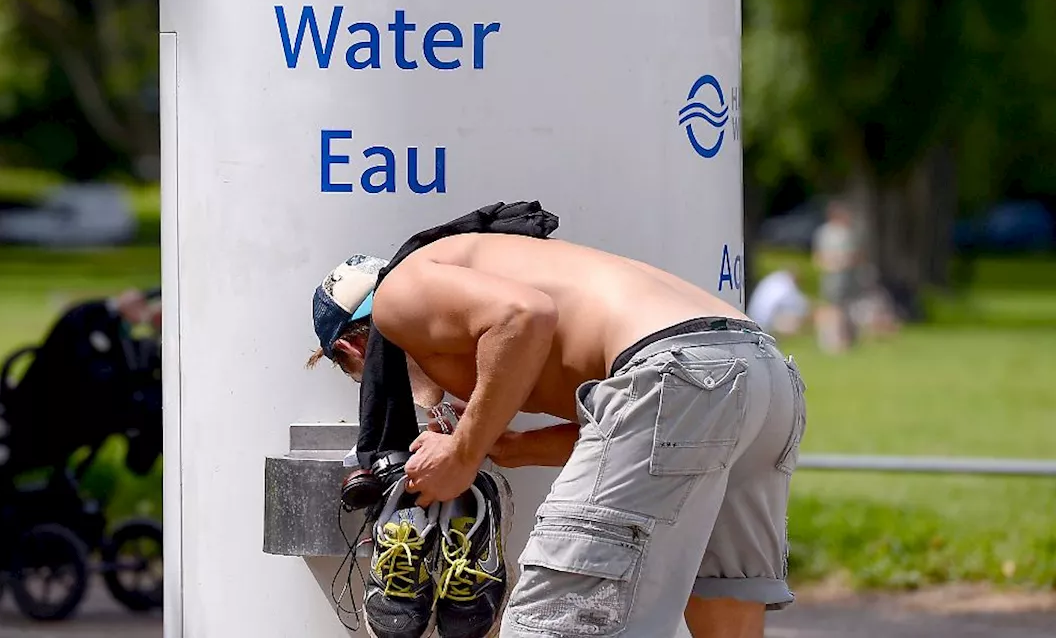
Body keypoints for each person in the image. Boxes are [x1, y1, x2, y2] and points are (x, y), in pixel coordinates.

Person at [309, 232, 808, 638]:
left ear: (355, 351)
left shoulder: (400, 292)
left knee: (549, 625)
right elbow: (652, 430)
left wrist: (463, 455)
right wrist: (515, 447)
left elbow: (524, 316)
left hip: (675, 372)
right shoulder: (472, 268)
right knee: (725, 613)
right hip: (758, 369)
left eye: (357, 377)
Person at [811, 200, 861, 353]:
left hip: (845, 277)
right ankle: (832, 340)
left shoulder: (846, 233)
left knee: (842, 308)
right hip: (831, 276)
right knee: (832, 308)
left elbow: (854, 256)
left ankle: (842, 339)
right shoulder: (826, 233)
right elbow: (818, 257)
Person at [746, 268, 809, 337]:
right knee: (795, 316)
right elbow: (798, 303)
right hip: (763, 320)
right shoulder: (785, 285)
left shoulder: (774, 280)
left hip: (753, 315)